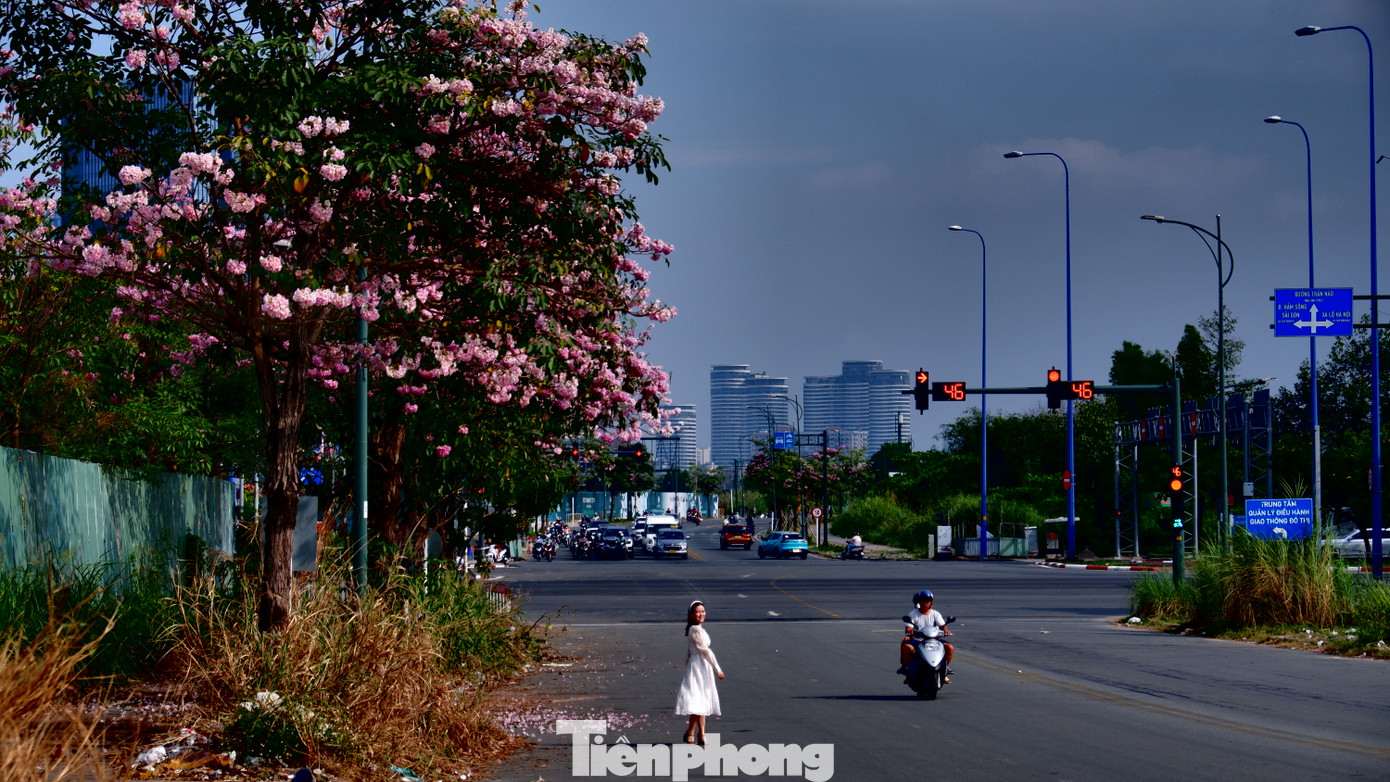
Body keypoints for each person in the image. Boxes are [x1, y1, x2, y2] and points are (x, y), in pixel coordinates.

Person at [675, 600, 724, 746]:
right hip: (698, 667)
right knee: (697, 700)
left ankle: (701, 733)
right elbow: (705, 651)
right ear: (691, 614)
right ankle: (691, 732)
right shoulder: (695, 630)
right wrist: (718, 668)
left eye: (703, 611)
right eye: (698, 611)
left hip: (702, 666)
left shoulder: (699, 629)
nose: (701, 614)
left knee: (703, 700)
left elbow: (690, 651)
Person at [899, 589, 953, 684]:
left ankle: (944, 669)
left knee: (949, 648)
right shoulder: (913, 614)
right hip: (917, 640)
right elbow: (908, 629)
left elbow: (943, 626)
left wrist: (946, 631)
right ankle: (907, 670)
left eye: (927, 601)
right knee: (906, 647)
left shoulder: (935, 614)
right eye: (923, 601)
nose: (925, 604)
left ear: (931, 603)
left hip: (934, 640)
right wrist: (910, 633)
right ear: (919, 602)